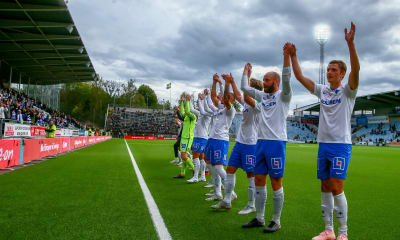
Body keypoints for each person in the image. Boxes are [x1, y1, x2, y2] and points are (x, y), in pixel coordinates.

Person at [288, 22, 360, 240]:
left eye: (333, 70)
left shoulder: (348, 91)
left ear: (342, 74)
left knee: (337, 187)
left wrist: (350, 44)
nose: (329, 72)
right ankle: (328, 230)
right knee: (325, 186)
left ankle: (343, 233)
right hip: (324, 145)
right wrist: (293, 56)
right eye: (328, 69)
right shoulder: (323, 91)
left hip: (340, 145)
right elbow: (300, 78)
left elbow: (356, 70)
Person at [241, 42, 292, 233]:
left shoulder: (284, 96)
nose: (264, 82)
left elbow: (287, 77)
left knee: (275, 182)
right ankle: (260, 218)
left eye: (267, 80)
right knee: (259, 180)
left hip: (277, 144)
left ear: (276, 82)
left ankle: (276, 221)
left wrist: (286, 56)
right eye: (263, 79)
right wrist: (246, 71)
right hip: (260, 143)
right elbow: (244, 88)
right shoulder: (263, 97)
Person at [211, 71, 260, 214]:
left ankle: (251, 205)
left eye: (249, 86)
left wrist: (246, 76)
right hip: (240, 142)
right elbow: (238, 96)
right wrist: (231, 82)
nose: (246, 88)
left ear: (253, 90)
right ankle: (227, 200)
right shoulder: (246, 102)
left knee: (250, 175)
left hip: (251, 144)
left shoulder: (256, 103)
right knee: (230, 170)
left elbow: (242, 95)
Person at [205, 74, 236, 202]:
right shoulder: (219, 108)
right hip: (212, 139)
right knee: (211, 166)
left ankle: (231, 192)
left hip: (221, 141)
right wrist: (214, 82)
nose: (221, 98)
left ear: (230, 100)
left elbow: (226, 99)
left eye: (225, 97)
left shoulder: (230, 109)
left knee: (218, 167)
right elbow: (213, 96)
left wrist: (223, 84)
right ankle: (218, 193)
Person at [187, 92, 211, 183]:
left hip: (201, 137)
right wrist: (189, 101)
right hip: (201, 137)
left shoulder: (207, 114)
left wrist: (201, 99)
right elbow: (192, 109)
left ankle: (196, 177)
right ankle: (203, 176)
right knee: (201, 157)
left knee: (195, 156)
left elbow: (200, 108)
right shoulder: (201, 113)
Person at [173, 93, 197, 178]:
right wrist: (182, 101)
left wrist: (187, 101)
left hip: (187, 138)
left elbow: (186, 111)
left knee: (183, 155)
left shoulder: (193, 116)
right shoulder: (187, 117)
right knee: (184, 156)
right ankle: (182, 173)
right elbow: (183, 112)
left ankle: (195, 169)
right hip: (184, 138)